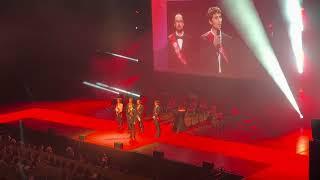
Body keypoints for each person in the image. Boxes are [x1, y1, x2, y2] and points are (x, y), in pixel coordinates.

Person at [200, 6, 231, 74]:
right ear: (210, 21)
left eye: (220, 17)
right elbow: (202, 61)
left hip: (227, 77)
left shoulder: (228, 39)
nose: (219, 20)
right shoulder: (203, 38)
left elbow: (232, 62)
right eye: (216, 18)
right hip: (210, 77)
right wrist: (213, 45)